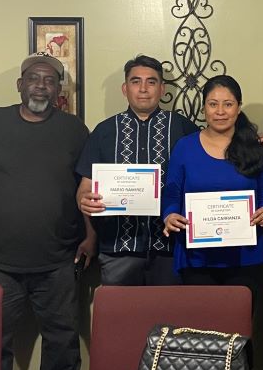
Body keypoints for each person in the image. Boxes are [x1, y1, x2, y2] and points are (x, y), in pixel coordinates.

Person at [0, 52, 93, 370]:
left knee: (63, 342)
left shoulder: (74, 129)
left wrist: (91, 235)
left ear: (58, 89)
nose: (41, 87)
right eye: (34, 79)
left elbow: (90, 186)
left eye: (50, 81)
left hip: (59, 261)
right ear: (20, 84)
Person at [76, 55, 198, 286]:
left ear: (162, 89)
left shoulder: (184, 128)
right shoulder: (103, 132)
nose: (143, 89)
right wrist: (84, 201)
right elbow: (85, 187)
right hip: (118, 249)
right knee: (122, 318)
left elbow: (203, 174)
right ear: (125, 88)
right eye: (135, 81)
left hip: (171, 248)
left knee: (169, 318)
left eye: (151, 82)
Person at [161, 75, 263, 289]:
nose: (220, 111)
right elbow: (172, 193)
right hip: (196, 256)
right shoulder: (185, 147)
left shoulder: (258, 148)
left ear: (239, 107)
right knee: (199, 322)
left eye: (228, 104)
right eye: (213, 104)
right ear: (204, 108)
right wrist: (169, 215)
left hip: (245, 255)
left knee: (239, 320)